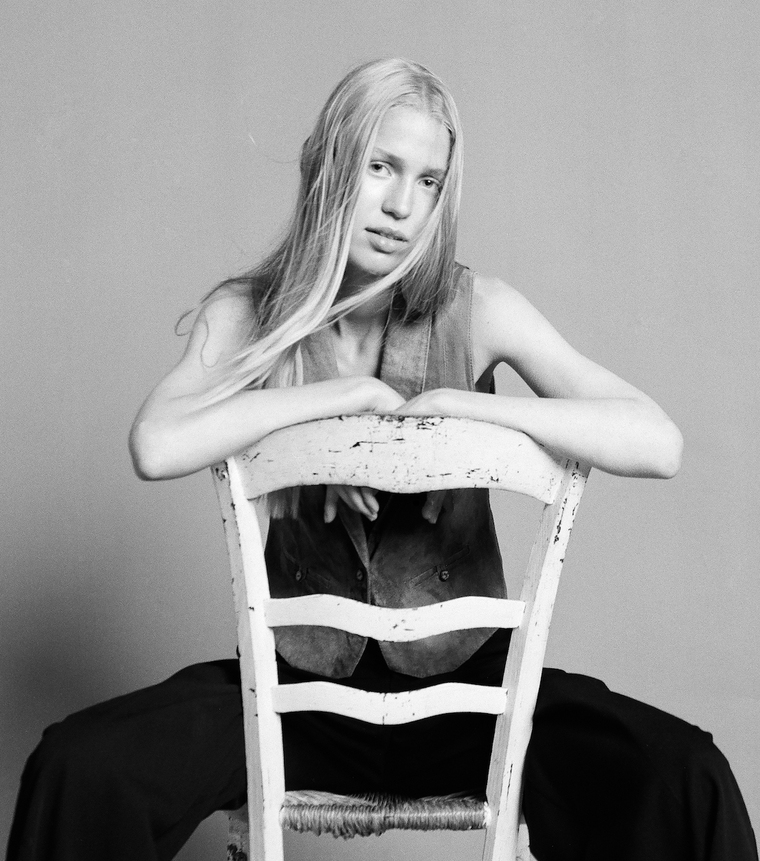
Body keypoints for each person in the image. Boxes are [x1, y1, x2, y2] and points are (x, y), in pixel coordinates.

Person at [6, 58, 757, 861]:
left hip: (476, 704)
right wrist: (337, 403)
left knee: (683, 775)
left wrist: (466, 408)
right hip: (292, 704)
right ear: (331, 165)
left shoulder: (480, 308)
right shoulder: (250, 314)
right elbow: (156, 446)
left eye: (429, 181)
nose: (403, 205)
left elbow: (658, 442)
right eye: (381, 167)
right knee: (80, 765)